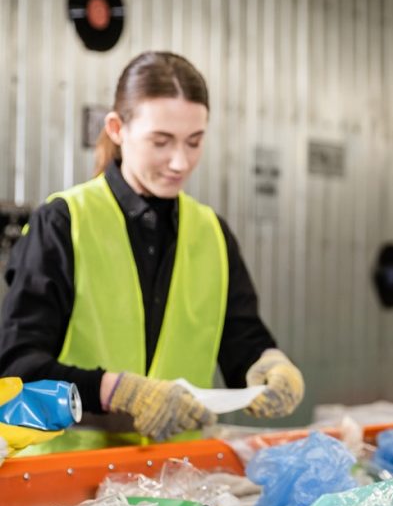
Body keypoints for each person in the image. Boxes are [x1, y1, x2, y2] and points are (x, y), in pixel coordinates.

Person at [0, 51, 304, 451]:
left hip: (176, 477)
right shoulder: (63, 223)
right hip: (69, 483)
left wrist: (267, 363)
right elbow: (17, 367)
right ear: (117, 128)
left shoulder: (213, 234)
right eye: (161, 142)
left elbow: (240, 340)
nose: (180, 162)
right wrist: (116, 391)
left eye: (194, 142)